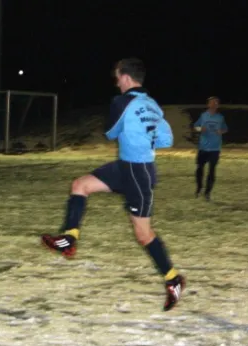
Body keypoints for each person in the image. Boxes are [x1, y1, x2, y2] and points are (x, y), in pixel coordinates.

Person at [41, 58, 185, 312]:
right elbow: (166, 139)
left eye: (118, 78)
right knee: (80, 185)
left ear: (126, 78)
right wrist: (143, 138)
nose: (117, 83)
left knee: (143, 234)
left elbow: (110, 132)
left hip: (137, 174)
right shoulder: (152, 105)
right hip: (127, 167)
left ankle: (173, 279)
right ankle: (69, 238)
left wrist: (131, 135)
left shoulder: (122, 102)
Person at [193, 96, 228, 200]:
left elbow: (225, 129)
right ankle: (199, 188)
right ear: (208, 104)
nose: (213, 104)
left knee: (212, 170)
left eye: (216, 103)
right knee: (199, 169)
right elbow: (195, 126)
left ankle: (207, 193)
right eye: (211, 103)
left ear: (218, 105)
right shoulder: (203, 116)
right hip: (203, 148)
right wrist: (200, 129)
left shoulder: (220, 117)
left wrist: (221, 131)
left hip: (215, 149)